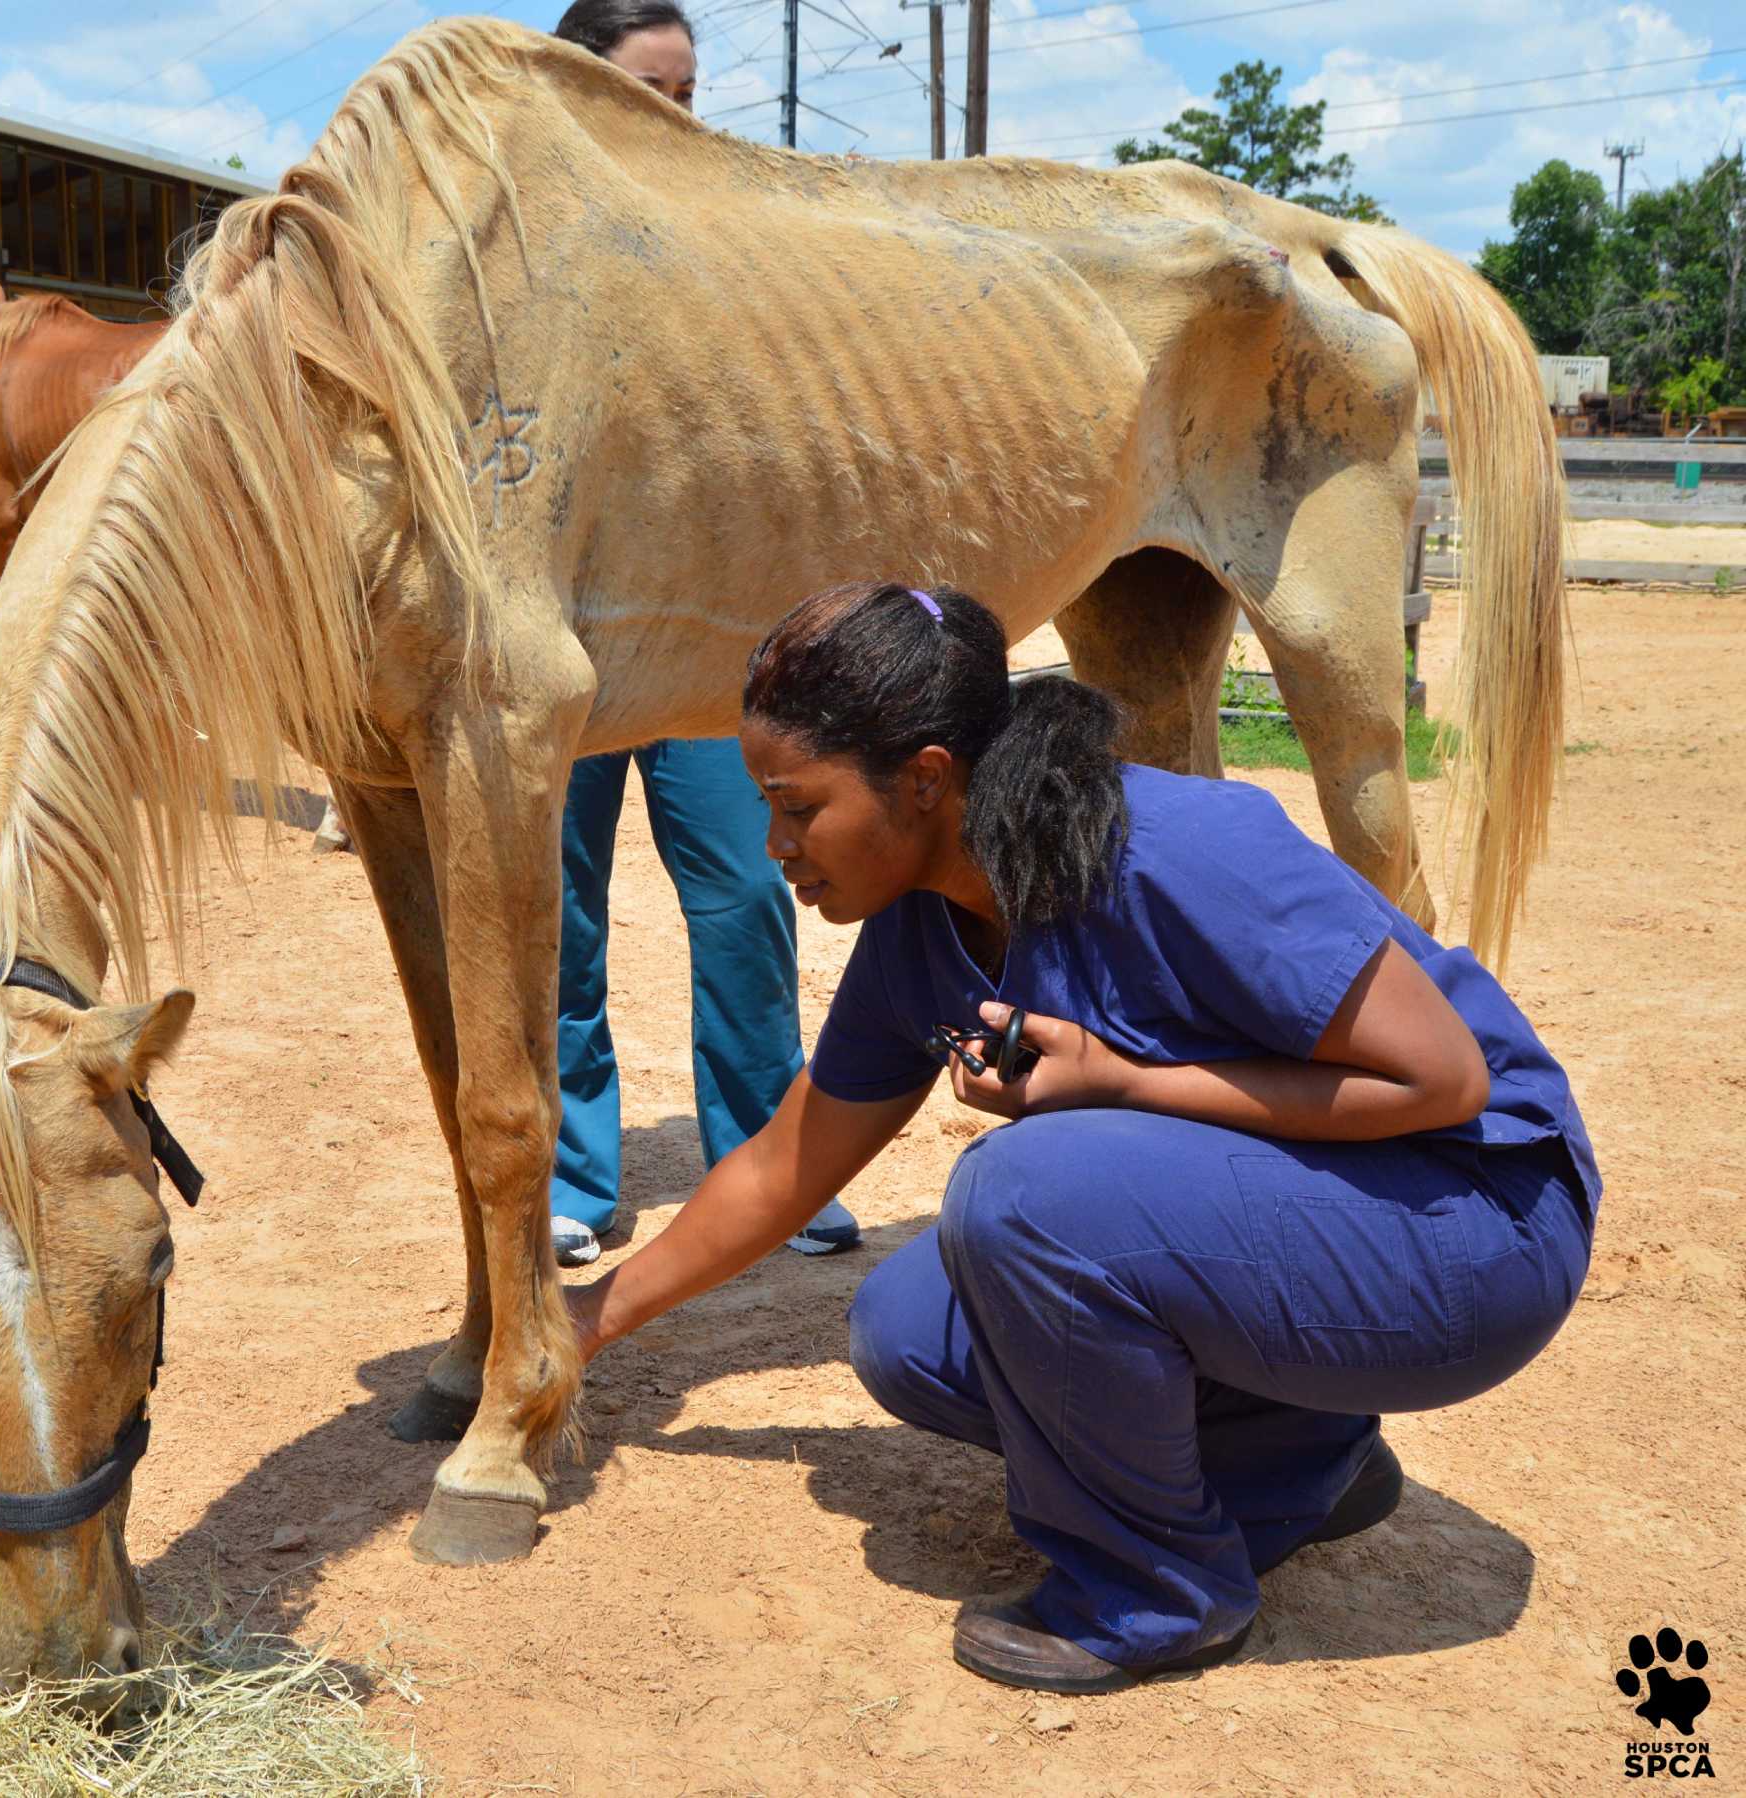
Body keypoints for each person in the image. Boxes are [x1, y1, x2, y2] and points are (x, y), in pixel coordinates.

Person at [567, 579, 1598, 1694]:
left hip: (1475, 1226)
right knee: (909, 1328)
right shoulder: (922, 922)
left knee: (1022, 1192)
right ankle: (1293, 1465)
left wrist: (1120, 1082)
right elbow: (782, 1164)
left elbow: (1441, 1079)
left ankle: (1155, 1587)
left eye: (798, 806)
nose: (775, 843)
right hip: (1347, 1223)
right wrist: (579, 1320)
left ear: (923, 780)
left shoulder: (1174, 846)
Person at [546, 0, 859, 1267]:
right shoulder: (533, 255)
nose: (678, 120)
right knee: (552, 916)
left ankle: (763, 1161)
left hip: (701, 642)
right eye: (648, 95)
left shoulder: (729, 253)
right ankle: (578, 1170)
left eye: (687, 95)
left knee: (743, 896)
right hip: (558, 644)